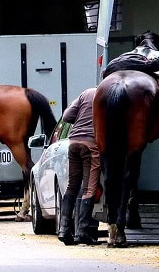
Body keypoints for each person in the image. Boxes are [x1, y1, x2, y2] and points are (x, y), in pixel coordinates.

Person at [58, 88, 101, 245]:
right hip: (90, 144)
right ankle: (82, 231)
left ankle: (63, 229)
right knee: (89, 188)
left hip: (73, 142)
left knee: (72, 186)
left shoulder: (86, 93)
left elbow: (67, 116)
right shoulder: (105, 94)